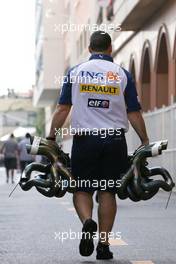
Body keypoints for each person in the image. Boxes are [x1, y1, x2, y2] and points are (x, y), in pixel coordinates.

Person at [47, 31, 149, 260]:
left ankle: (87, 221)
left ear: (90, 50)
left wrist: (51, 138)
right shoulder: (122, 74)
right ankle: (103, 245)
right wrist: (144, 140)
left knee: (81, 188)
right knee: (107, 191)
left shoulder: (75, 72)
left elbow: (62, 109)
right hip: (114, 141)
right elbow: (133, 112)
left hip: (85, 140)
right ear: (110, 49)